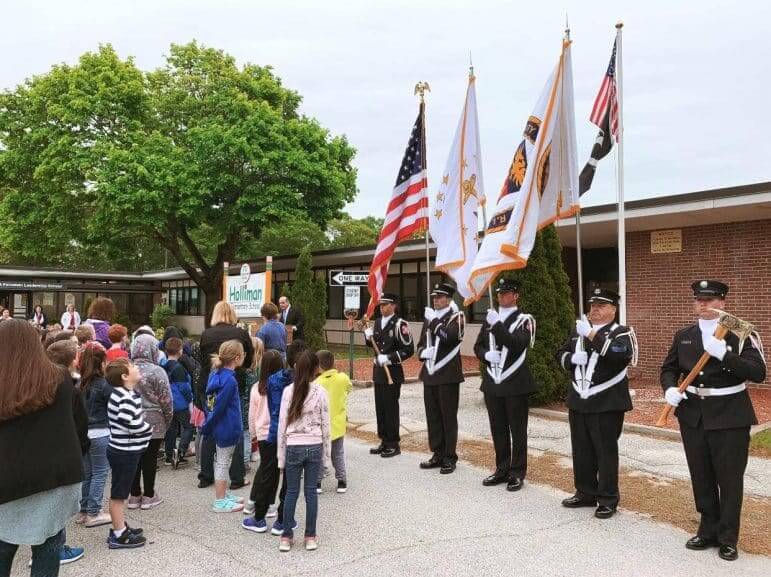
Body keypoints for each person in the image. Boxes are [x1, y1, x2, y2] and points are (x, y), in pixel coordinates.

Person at [660, 280, 766, 561]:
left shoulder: (742, 332)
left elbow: (758, 373)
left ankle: (728, 537)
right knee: (701, 475)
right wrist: (670, 388)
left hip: (730, 414)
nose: (704, 304)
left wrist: (726, 355)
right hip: (693, 415)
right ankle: (707, 529)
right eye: (699, 300)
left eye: (711, 299)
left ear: (723, 303)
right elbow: (669, 369)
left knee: (729, 480)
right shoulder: (684, 335)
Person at [0, 320, 84, 575]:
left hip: (7, 480)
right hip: (55, 476)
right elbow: (80, 425)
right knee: (48, 546)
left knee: (3, 548)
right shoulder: (60, 379)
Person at [556, 288, 637, 519]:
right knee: (581, 450)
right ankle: (585, 493)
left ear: (613, 309)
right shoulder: (578, 331)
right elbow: (560, 352)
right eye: (592, 306)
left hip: (606, 403)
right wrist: (571, 358)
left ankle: (608, 498)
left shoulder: (622, 333)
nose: (595, 310)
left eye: (601, 306)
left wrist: (592, 335)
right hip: (579, 400)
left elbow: (619, 355)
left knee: (605, 452)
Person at [473, 278, 536, 492]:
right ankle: (501, 469)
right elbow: (478, 346)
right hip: (493, 383)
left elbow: (517, 344)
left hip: (515, 383)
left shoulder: (525, 320)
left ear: (516, 295)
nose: (501, 296)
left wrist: (497, 325)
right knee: (497, 428)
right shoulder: (491, 318)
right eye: (499, 293)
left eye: (506, 293)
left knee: (517, 431)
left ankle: (517, 473)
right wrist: (485, 355)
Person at [276, 350, 331, 552]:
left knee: (291, 492)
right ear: (316, 369)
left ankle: (286, 535)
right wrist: (326, 457)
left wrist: (280, 457)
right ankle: (310, 535)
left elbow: (282, 425)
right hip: (314, 444)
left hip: (293, 445)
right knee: (311, 493)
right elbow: (326, 425)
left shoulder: (288, 391)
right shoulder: (321, 392)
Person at [197, 302, 254, 490]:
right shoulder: (240, 334)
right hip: (234, 381)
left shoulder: (206, 334)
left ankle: (206, 475)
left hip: (210, 383)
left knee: (211, 425)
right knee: (235, 426)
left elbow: (201, 361)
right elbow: (249, 360)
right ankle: (237, 476)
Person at [44, 338, 88, 566]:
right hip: (63, 452)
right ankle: (56, 549)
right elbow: (80, 424)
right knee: (56, 504)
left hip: (45, 449)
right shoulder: (69, 388)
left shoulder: (40, 381)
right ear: (73, 360)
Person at [416, 283, 465, 475]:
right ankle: (437, 453)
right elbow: (420, 344)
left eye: (440, 297)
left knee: (448, 417)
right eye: (434, 297)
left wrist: (435, 322)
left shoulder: (457, 317)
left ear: (449, 299)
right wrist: (422, 353)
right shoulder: (430, 317)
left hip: (448, 374)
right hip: (430, 373)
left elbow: (450, 337)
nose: (436, 300)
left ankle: (449, 457)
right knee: (433, 417)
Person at [104, 359, 151, 549]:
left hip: (125, 450)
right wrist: (146, 428)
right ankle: (118, 534)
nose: (137, 368)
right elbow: (126, 420)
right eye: (132, 367)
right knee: (119, 494)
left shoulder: (125, 393)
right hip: (125, 451)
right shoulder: (125, 397)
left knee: (120, 492)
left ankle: (120, 526)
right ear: (124, 376)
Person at [363, 293, 414, 458]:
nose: (382, 307)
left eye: (385, 305)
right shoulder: (377, 322)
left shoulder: (400, 324)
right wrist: (368, 337)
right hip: (379, 372)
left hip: (392, 372)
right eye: (381, 305)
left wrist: (390, 358)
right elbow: (375, 345)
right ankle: (384, 440)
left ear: (394, 306)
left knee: (391, 408)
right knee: (381, 408)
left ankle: (393, 444)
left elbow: (408, 349)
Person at [201, 340, 246, 513]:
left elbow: (210, 403)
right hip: (228, 427)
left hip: (219, 426)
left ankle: (223, 494)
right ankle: (220, 501)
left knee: (223, 461)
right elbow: (220, 407)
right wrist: (208, 425)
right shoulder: (230, 381)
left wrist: (209, 424)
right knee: (222, 463)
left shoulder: (215, 374)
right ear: (237, 358)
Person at [128, 334, 173, 510]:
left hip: (130, 419)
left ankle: (134, 495)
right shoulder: (157, 371)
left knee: (134, 458)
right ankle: (149, 495)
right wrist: (167, 419)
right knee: (150, 458)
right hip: (154, 421)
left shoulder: (127, 368)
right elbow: (166, 400)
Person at [243, 350, 284, 530]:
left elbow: (252, 415)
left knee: (268, 471)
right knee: (274, 472)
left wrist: (253, 435)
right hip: (279, 433)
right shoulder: (284, 387)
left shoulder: (256, 388)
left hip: (262, 434)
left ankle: (261, 510)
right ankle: (269, 505)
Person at [76, 341, 114, 528]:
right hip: (100, 432)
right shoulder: (105, 385)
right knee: (100, 472)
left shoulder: (79, 384)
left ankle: (83, 510)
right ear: (101, 363)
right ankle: (94, 512)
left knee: (87, 473)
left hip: (83, 434)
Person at [315, 350, 352, 492]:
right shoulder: (342, 378)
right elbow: (349, 388)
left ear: (318, 366)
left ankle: (317, 483)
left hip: (321, 424)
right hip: (338, 424)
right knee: (338, 453)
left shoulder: (317, 383)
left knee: (319, 453)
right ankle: (342, 481)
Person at [163, 337, 195, 468]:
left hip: (167, 403)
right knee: (188, 426)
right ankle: (181, 452)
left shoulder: (163, 366)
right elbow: (184, 387)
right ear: (180, 351)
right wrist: (190, 399)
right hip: (180, 403)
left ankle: (169, 455)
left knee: (171, 429)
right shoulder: (179, 368)